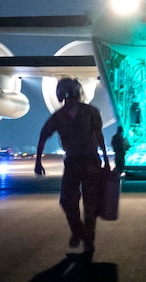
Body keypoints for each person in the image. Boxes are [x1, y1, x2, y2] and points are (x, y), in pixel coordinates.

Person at [35, 77, 109, 256]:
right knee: (76, 203)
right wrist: (106, 159)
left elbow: (43, 136)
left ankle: (84, 237)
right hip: (81, 161)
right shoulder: (88, 112)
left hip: (85, 161)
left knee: (80, 203)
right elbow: (99, 136)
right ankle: (82, 234)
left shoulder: (63, 115)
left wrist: (38, 161)